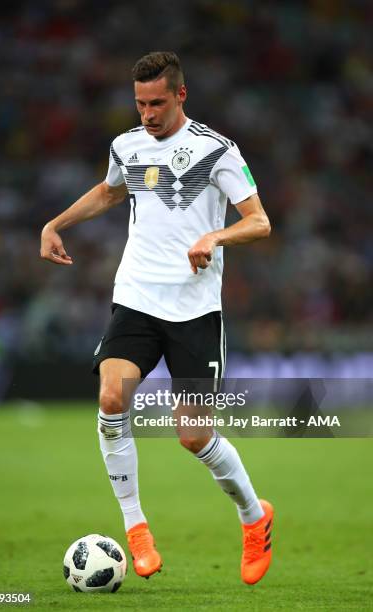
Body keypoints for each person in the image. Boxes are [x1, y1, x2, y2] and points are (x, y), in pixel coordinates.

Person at [40, 51, 273, 586]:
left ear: (181, 95)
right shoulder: (126, 145)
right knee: (111, 398)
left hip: (194, 309)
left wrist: (216, 235)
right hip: (137, 297)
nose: (147, 113)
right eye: (140, 102)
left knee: (193, 436)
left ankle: (254, 517)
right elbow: (109, 191)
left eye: (158, 103)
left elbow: (259, 222)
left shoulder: (218, 151)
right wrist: (56, 223)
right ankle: (136, 527)